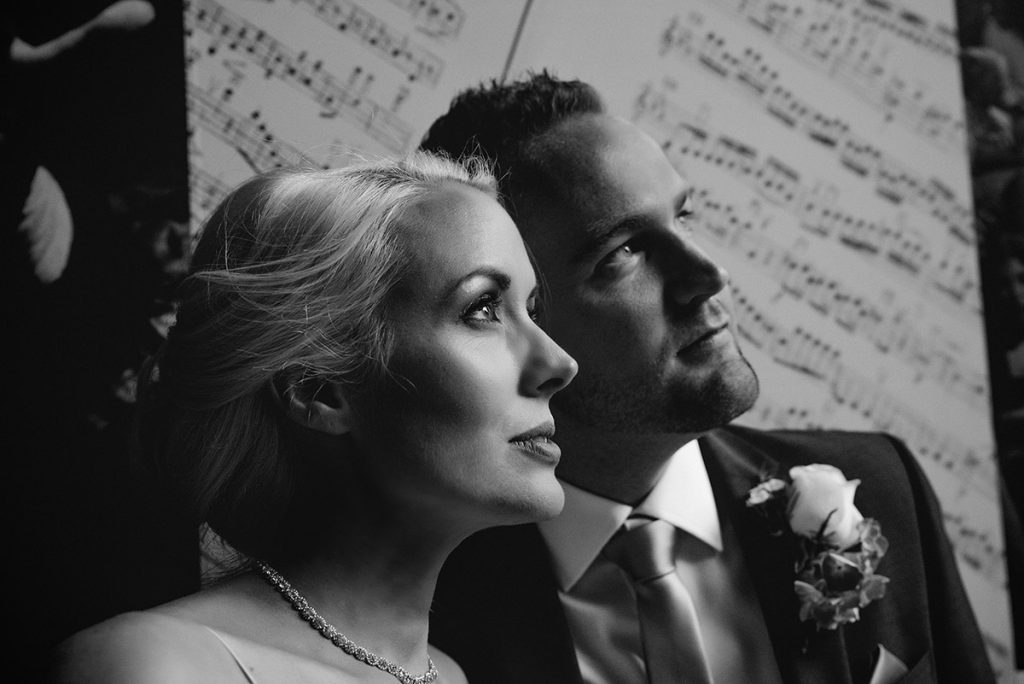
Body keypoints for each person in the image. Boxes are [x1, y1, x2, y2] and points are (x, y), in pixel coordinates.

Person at [420, 71, 998, 683]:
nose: (709, 274)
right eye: (622, 253)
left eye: (684, 215)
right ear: (515, 322)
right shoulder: (430, 612)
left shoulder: (883, 488)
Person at [47, 151, 578, 684]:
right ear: (319, 390)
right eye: (482, 309)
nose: (559, 364)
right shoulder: (157, 666)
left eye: (531, 311)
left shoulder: (456, 676)